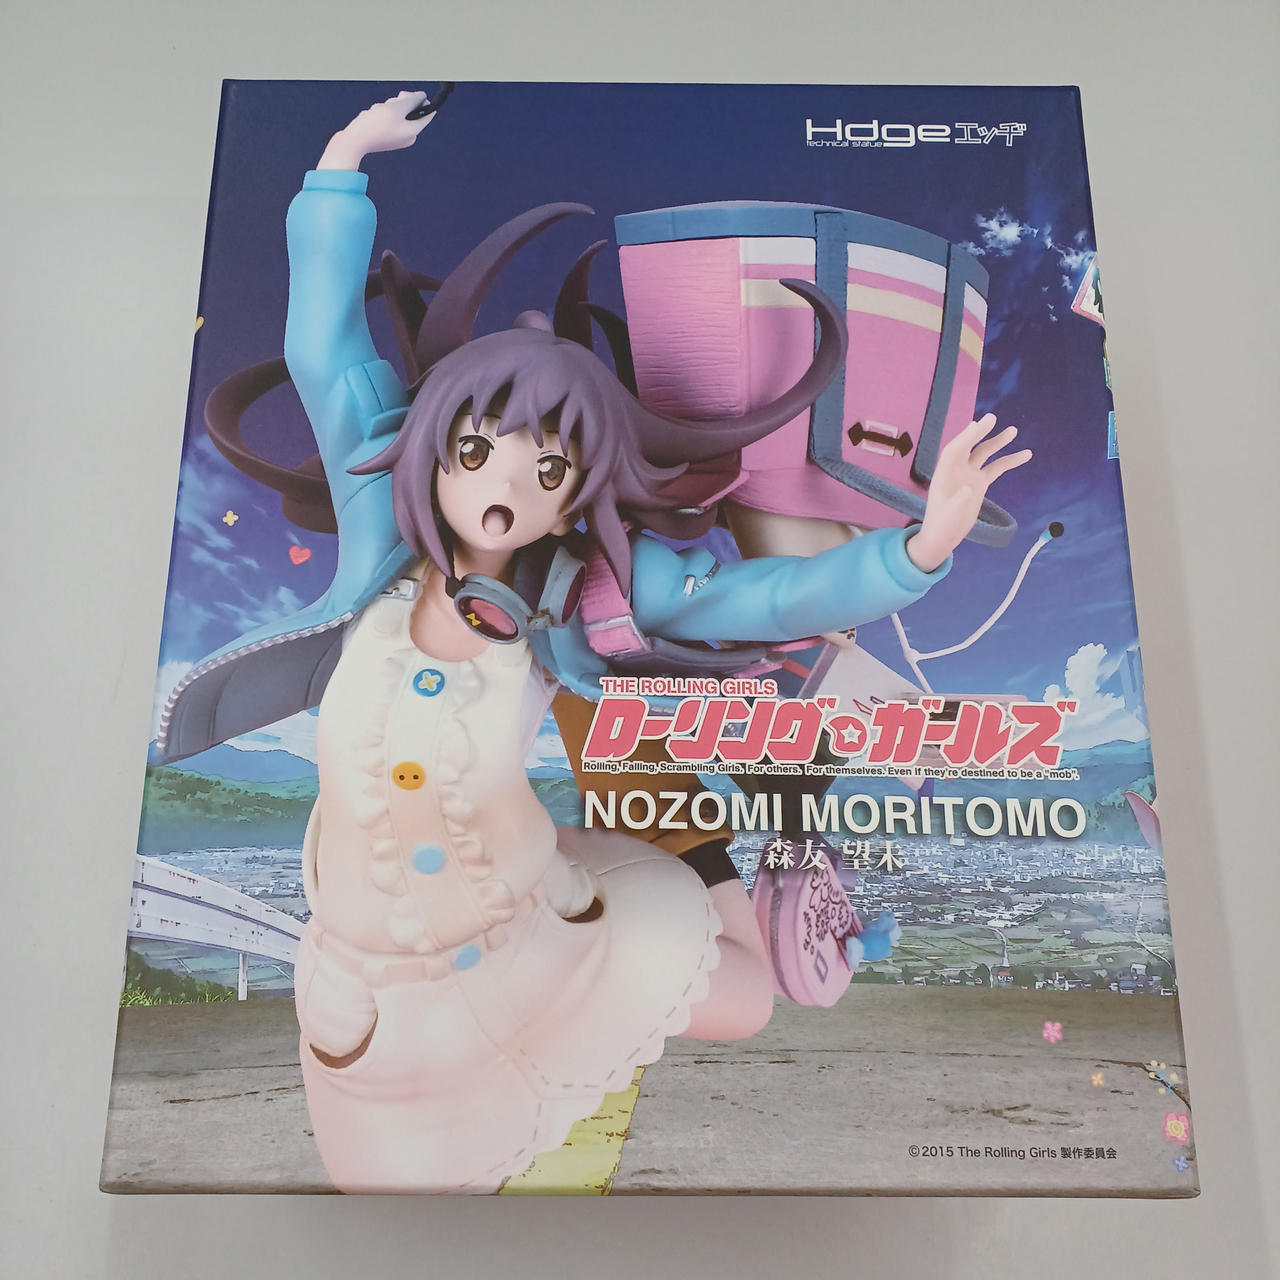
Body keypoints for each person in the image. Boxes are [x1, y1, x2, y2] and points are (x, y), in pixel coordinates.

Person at [160, 92, 1029, 1193]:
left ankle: (780, 879)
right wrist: (339, 166)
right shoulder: (384, 539)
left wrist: (919, 547)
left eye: (547, 469)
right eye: (475, 448)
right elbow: (322, 344)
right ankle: (739, 874)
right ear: (431, 443)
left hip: (528, 933)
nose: (502, 485)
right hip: (375, 983)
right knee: (389, 1185)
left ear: (577, 495)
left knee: (749, 998)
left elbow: (762, 597)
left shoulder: (580, 596)